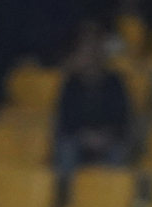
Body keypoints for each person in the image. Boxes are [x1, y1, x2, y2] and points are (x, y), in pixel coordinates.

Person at [54, 27, 131, 174]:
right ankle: (66, 193)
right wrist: (85, 135)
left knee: (118, 152)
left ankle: (111, 192)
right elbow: (66, 118)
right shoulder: (71, 84)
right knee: (66, 148)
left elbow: (121, 117)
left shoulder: (114, 82)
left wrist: (104, 135)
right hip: (79, 138)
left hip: (109, 138)